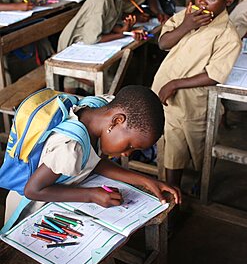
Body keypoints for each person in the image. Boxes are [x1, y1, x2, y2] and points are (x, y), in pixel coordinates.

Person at [4, 85, 181, 224]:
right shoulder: (70, 148)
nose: (127, 153)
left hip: (56, 194)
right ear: (117, 121)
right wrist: (90, 195)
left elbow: (94, 162)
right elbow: (33, 190)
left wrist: (146, 181)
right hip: (30, 210)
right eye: (130, 145)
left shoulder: (98, 109)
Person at [151, 0, 242, 195]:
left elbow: (214, 75)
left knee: (201, 152)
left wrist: (175, 84)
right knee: (172, 148)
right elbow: (163, 43)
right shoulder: (187, 16)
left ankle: (202, 184)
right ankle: (173, 196)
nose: (202, 2)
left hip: (197, 106)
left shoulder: (228, 36)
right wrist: (185, 26)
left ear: (228, 0)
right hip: (169, 100)